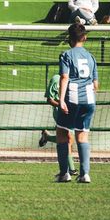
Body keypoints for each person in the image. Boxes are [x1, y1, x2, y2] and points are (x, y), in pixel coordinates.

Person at [55, 22, 98, 183]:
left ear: (69, 39)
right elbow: (95, 84)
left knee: (62, 133)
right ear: (85, 37)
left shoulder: (66, 55)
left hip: (72, 98)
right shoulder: (91, 57)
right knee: (82, 136)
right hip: (89, 100)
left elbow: (65, 77)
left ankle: (64, 173)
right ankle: (85, 174)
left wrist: (61, 99)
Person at [37, 73, 78, 177]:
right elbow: (49, 99)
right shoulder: (56, 79)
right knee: (68, 138)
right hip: (61, 112)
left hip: (73, 112)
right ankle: (71, 169)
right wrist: (61, 106)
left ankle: (47, 137)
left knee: (68, 139)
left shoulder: (76, 79)